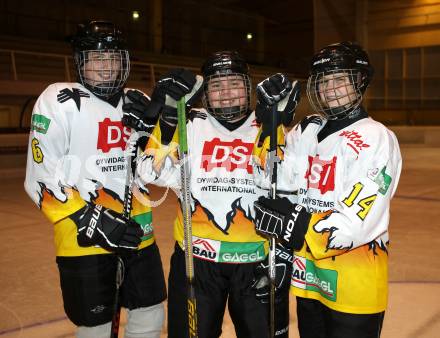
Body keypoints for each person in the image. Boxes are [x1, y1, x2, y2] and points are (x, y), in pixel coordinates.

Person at [130, 51, 299, 338]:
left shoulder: (264, 121)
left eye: (233, 84)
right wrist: (169, 119)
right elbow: (149, 173)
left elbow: (281, 181)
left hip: (254, 260)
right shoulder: (191, 123)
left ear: (248, 87)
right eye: (216, 86)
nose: (225, 94)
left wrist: (274, 127)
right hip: (196, 260)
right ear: (205, 92)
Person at [24, 20, 166, 338]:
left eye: (112, 57)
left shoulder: (136, 99)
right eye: (95, 57)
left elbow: (153, 169)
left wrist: (158, 128)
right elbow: (40, 176)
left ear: (124, 61)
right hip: (84, 239)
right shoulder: (59, 99)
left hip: (138, 234)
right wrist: (95, 221)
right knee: (95, 329)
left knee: (151, 315)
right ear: (80, 62)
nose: (105, 66)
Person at [252, 41, 402, 338]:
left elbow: (352, 225)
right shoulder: (307, 129)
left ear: (359, 82)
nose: (330, 89)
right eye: (324, 81)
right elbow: (269, 178)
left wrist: (293, 223)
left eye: (340, 80)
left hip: (354, 286)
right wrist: (270, 127)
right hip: (309, 280)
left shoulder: (376, 138)